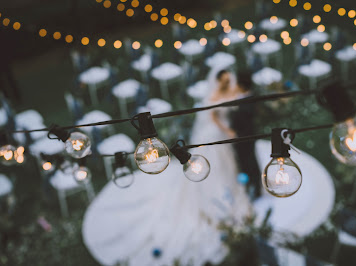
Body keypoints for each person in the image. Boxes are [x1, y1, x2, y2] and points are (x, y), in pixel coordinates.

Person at [82, 69, 251, 266]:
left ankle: (227, 191)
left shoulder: (229, 91)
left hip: (221, 137)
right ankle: (209, 202)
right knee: (206, 167)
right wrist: (227, 129)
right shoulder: (214, 96)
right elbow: (213, 115)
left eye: (228, 80)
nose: (226, 83)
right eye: (224, 80)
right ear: (217, 81)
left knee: (224, 167)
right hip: (211, 135)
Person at [230, 71, 262, 199]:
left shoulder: (248, 103)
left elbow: (245, 122)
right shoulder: (240, 96)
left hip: (245, 136)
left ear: (241, 85)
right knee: (243, 161)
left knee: (250, 161)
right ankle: (249, 183)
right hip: (239, 136)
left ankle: (255, 186)